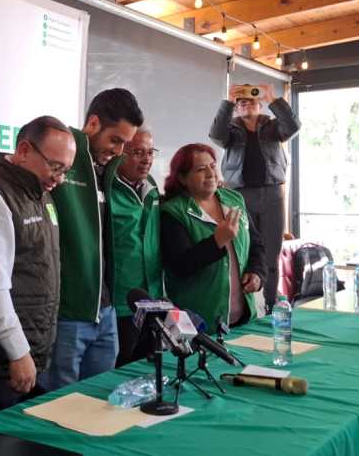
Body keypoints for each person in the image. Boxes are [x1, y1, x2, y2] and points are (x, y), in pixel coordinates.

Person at [0, 116, 76, 423]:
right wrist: (17, 352)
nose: (59, 178)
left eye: (66, 170)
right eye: (55, 166)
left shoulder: (41, 193)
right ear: (23, 150)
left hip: (32, 356)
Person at [42, 88, 144, 390]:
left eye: (125, 143)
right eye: (116, 139)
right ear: (94, 123)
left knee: (99, 403)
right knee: (59, 411)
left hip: (106, 311)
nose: (120, 150)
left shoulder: (108, 170)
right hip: (67, 314)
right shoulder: (63, 158)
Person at [209, 83, 300, 313]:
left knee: (271, 252)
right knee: (243, 249)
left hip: (272, 194)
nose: (245, 104)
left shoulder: (272, 127)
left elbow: (293, 126)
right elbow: (216, 136)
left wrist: (274, 100)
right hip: (239, 195)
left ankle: (269, 304)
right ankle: (247, 305)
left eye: (251, 100)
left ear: (260, 105)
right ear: (236, 108)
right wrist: (228, 102)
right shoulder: (230, 129)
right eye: (241, 102)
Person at [160, 143, 266, 328]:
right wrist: (218, 241)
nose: (211, 173)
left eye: (212, 166)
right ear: (183, 178)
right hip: (200, 323)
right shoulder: (172, 212)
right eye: (201, 169)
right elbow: (180, 266)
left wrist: (257, 273)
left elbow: (256, 244)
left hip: (244, 318)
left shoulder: (234, 200)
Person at [104, 127, 163, 366]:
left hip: (153, 299)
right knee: (122, 369)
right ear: (120, 153)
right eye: (138, 152)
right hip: (120, 304)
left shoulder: (151, 187)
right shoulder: (106, 188)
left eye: (150, 152)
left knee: (150, 369)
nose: (147, 159)